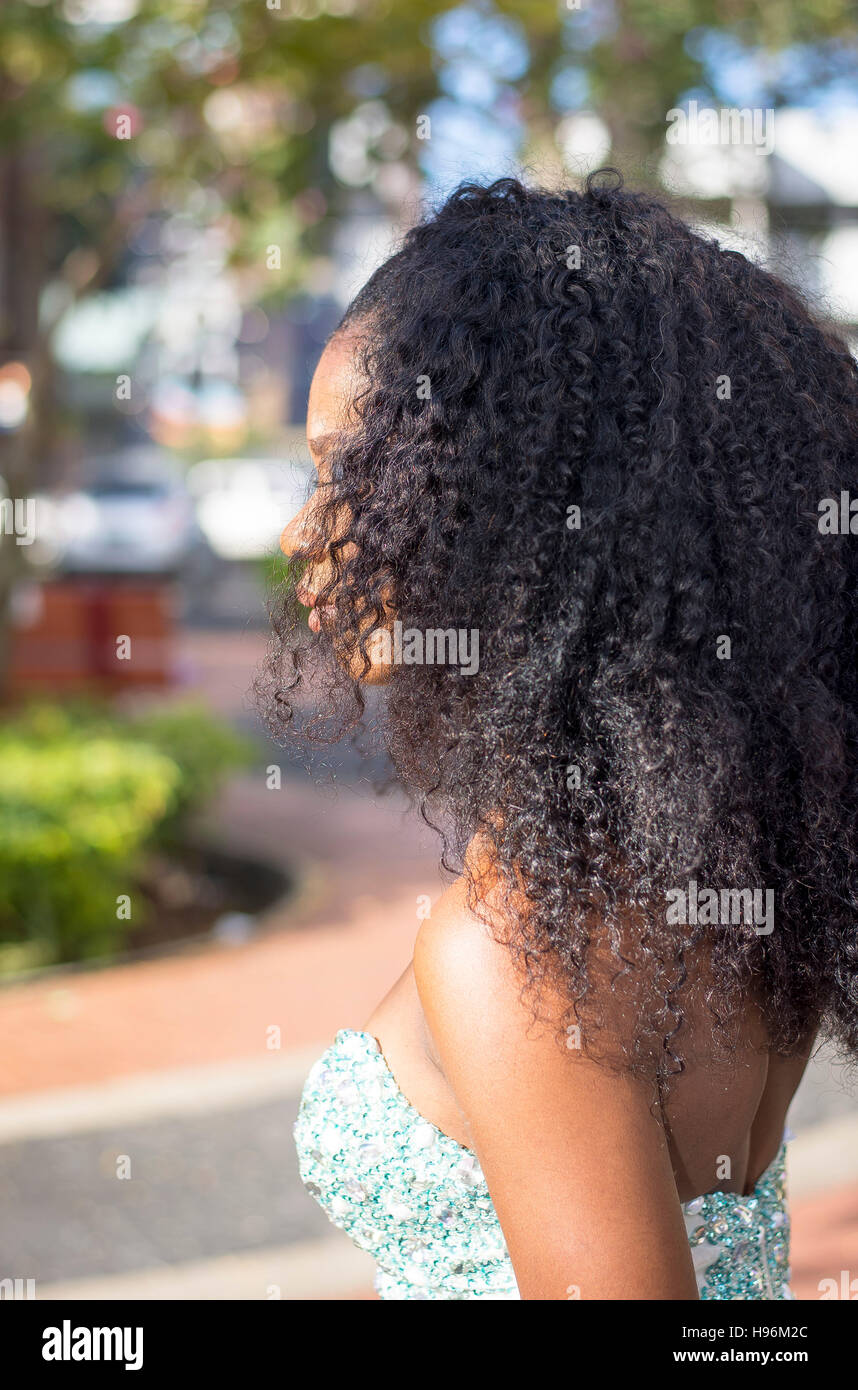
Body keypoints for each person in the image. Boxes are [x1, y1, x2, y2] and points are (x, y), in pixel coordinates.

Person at [266, 172, 858, 1299]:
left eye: (349, 468)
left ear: (513, 490)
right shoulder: (727, 861)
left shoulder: (518, 947)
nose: (306, 529)